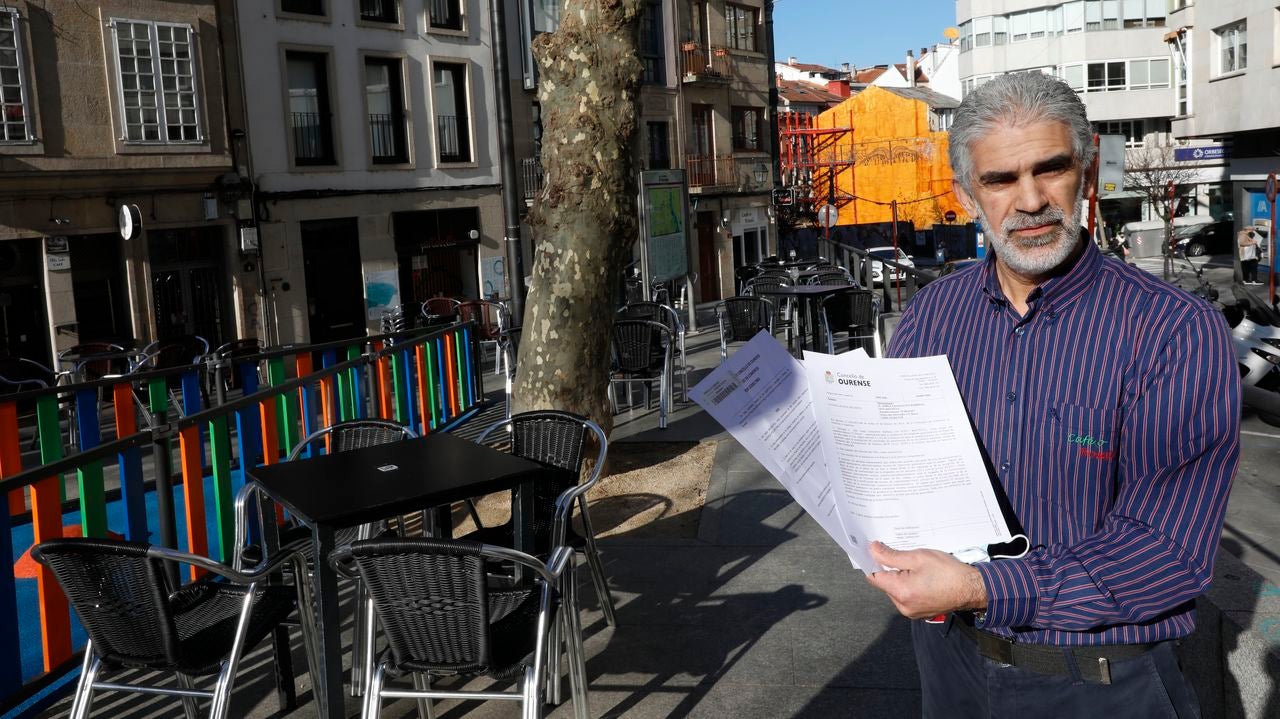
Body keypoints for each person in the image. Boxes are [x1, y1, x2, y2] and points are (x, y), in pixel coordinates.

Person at [868, 72, 1239, 717]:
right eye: (1001, 179)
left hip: (1100, 683)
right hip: (950, 666)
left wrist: (982, 587)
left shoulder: (1173, 332)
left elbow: (1165, 551)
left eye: (1051, 169)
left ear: (1087, 176)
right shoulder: (931, 316)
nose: (1031, 200)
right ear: (965, 195)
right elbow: (900, 475)